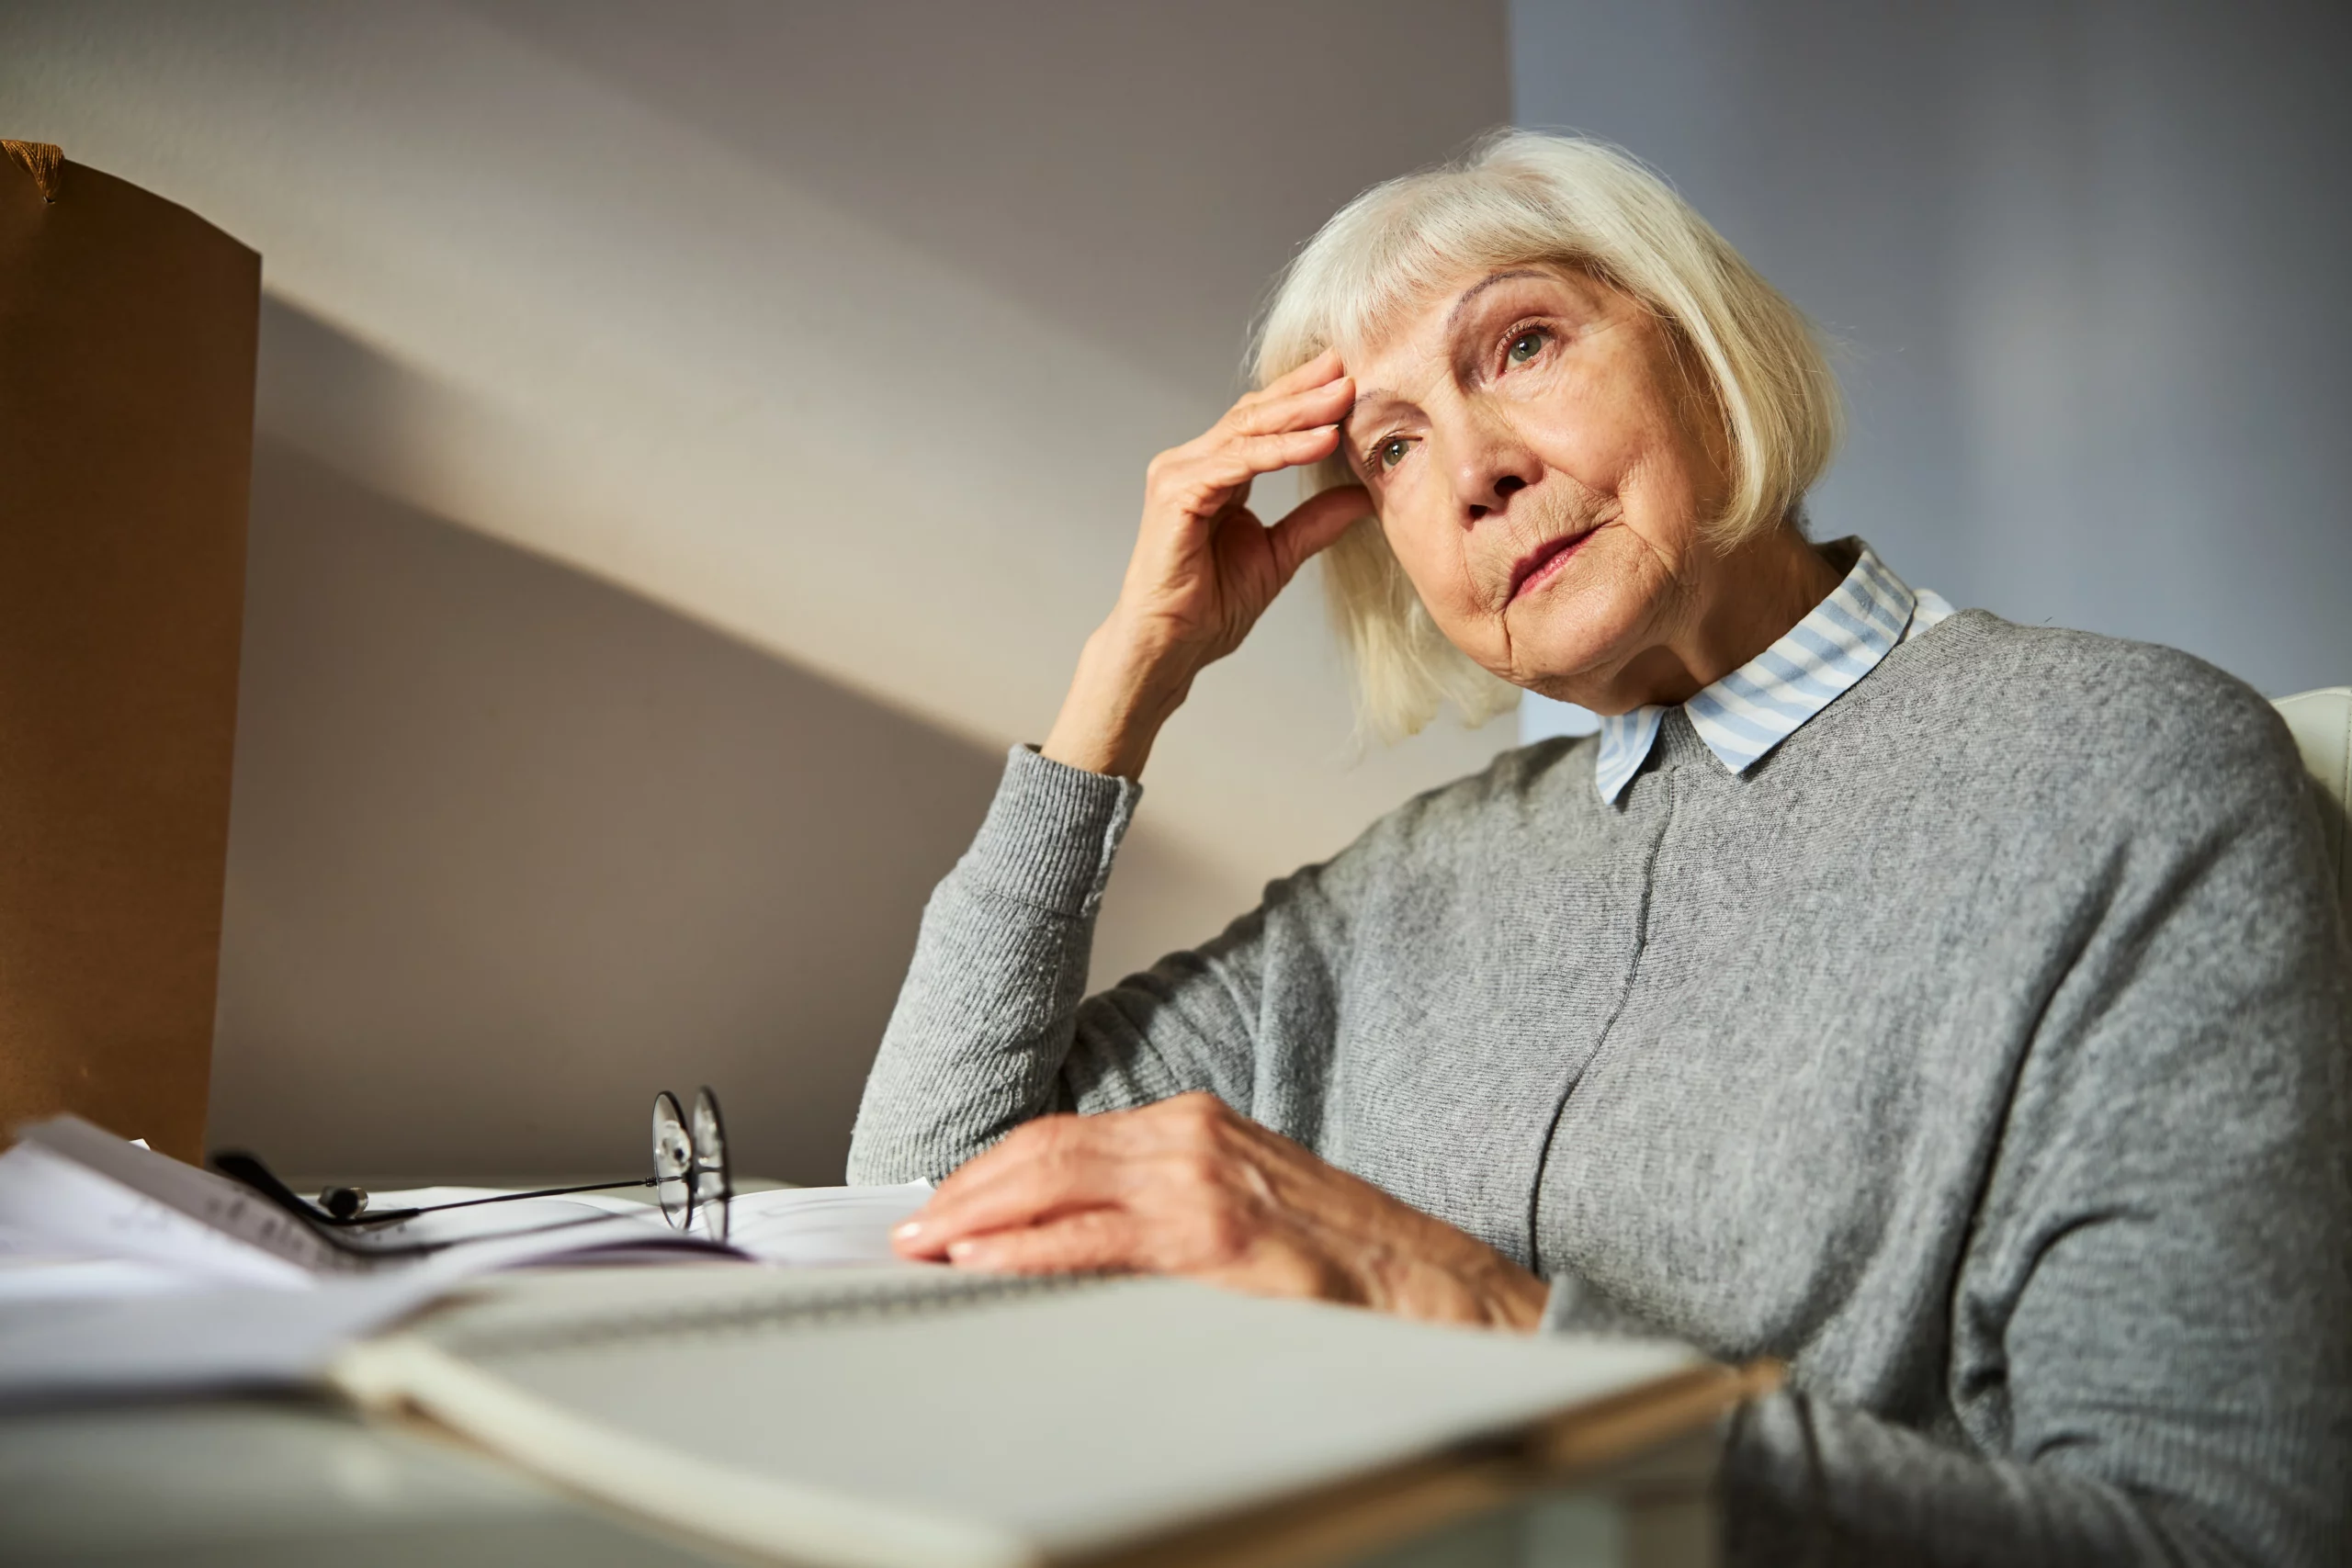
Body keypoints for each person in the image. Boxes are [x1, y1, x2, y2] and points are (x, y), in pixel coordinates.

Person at [846, 132, 2350, 1564]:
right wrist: (1129, 676)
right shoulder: (1397, 888)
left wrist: (1469, 1319)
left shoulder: (2125, 771)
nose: (1475, 473)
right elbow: (924, 1192)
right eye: (1391, 447)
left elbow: (2218, 1538)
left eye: (1522, 345)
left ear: (1700, 345)